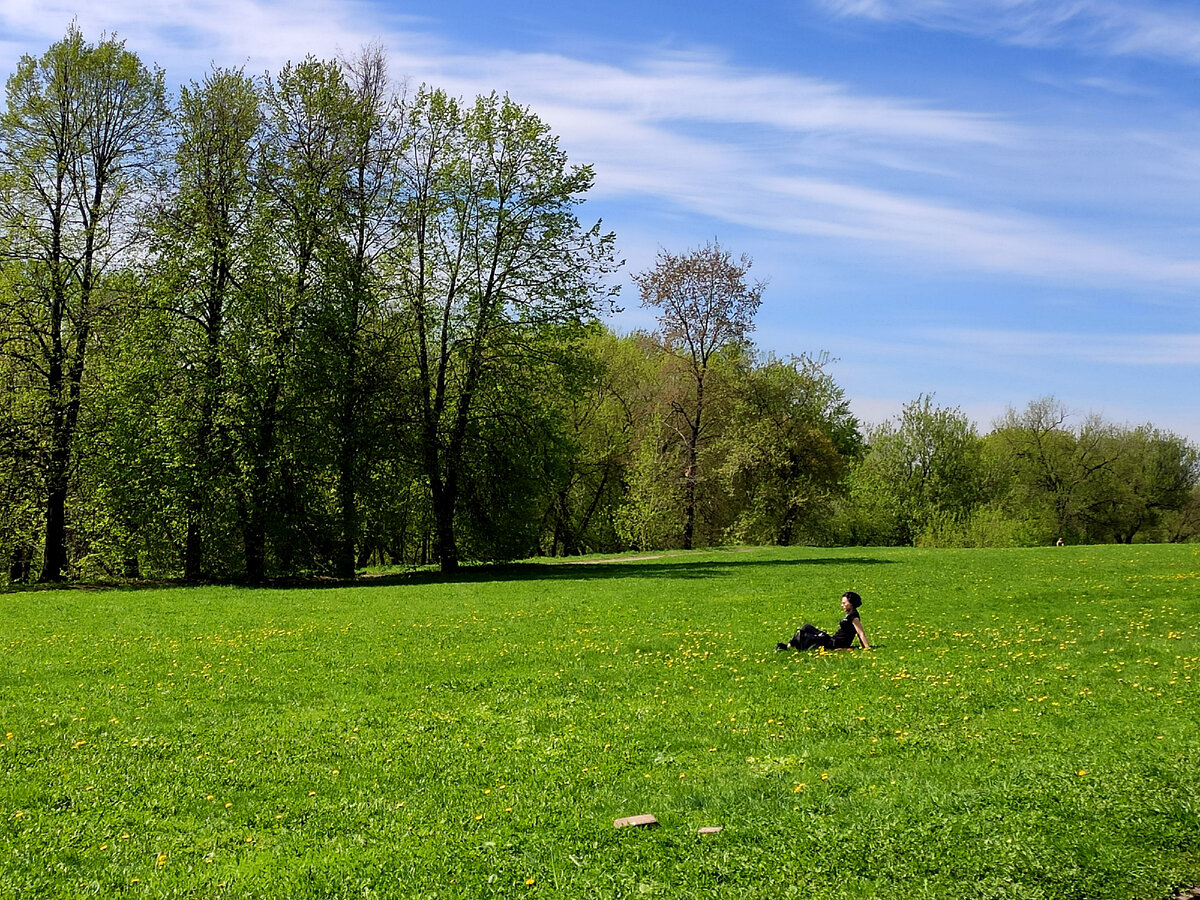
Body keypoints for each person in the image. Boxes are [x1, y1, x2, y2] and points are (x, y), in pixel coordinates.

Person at [776, 591, 870, 651]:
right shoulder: (849, 615)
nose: (842, 605)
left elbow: (860, 633)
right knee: (806, 628)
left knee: (806, 633)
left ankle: (788, 646)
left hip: (835, 643)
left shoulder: (854, 617)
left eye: (844, 603)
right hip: (832, 640)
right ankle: (789, 645)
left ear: (852, 603)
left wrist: (866, 648)